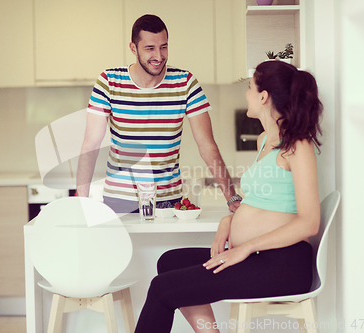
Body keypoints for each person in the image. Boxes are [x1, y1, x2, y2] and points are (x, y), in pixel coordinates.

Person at [134, 60, 324, 333]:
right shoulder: (263, 142)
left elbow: (309, 222)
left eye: (249, 88)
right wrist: (228, 221)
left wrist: (245, 246)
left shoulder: (298, 146)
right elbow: (264, 200)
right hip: (261, 256)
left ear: (263, 96)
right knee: (169, 261)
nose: (246, 94)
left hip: (284, 264)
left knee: (163, 289)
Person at [76, 14, 241, 213]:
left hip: (168, 201)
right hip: (120, 200)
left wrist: (231, 196)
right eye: (150, 48)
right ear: (133, 48)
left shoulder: (185, 83)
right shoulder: (109, 82)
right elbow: (91, 144)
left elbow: (206, 143)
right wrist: (81, 203)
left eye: (163, 47)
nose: (159, 56)